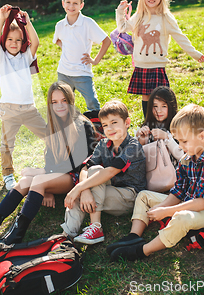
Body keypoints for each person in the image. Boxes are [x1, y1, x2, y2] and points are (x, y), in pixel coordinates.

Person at [0, 82, 97, 254]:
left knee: (37, 178)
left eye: (64, 100)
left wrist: (44, 179)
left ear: (71, 101)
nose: (59, 105)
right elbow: (50, 162)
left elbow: (83, 163)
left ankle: (15, 236)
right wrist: (45, 187)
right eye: (54, 102)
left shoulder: (81, 125)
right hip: (57, 175)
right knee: (25, 181)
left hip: (76, 177)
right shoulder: (53, 125)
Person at [107, 104, 204, 261]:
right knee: (144, 195)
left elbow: (201, 204)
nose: (180, 146)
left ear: (202, 136)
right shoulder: (187, 158)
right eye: (178, 141)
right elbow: (178, 191)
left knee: (181, 217)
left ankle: (143, 250)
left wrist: (167, 211)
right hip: (188, 200)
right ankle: (134, 236)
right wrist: (162, 207)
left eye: (184, 141)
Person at [116, 0, 204, 117]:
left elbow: (180, 37)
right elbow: (122, 28)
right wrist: (120, 11)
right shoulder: (139, 16)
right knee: (146, 97)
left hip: (158, 65)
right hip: (142, 65)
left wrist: (195, 54)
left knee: (161, 98)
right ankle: (148, 123)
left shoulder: (166, 18)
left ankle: (166, 123)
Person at [61, 100, 146, 244]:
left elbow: (110, 172)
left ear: (127, 123)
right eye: (105, 125)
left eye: (114, 123)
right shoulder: (103, 143)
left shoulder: (133, 146)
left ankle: (96, 227)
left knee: (96, 173)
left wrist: (79, 188)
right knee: (89, 178)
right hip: (107, 190)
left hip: (129, 196)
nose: (110, 128)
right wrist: (84, 190)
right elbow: (85, 168)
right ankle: (67, 235)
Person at [0, 4, 46, 190]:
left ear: (23, 41)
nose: (13, 43)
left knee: (49, 136)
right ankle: (7, 174)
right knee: (7, 145)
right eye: (9, 39)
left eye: (18, 40)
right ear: (4, 40)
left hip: (29, 108)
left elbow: (36, 42)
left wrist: (28, 23)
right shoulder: (2, 58)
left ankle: (54, 165)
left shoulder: (26, 57)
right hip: (10, 109)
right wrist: (1, 19)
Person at [53, 0, 111, 112]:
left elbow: (106, 41)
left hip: (82, 73)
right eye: (68, 2)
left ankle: (97, 127)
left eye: (75, 3)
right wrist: (67, 48)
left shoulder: (88, 23)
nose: (71, 6)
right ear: (63, 3)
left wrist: (95, 60)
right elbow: (57, 40)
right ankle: (67, 127)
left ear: (81, 5)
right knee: (64, 103)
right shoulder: (60, 25)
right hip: (64, 72)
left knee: (92, 102)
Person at [135, 86, 184, 164]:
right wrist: (141, 140)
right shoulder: (148, 126)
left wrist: (167, 138)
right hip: (150, 173)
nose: (159, 111)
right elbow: (136, 157)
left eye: (164, 106)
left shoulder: (179, 127)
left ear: (171, 107)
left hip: (171, 174)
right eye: (155, 106)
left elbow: (181, 156)